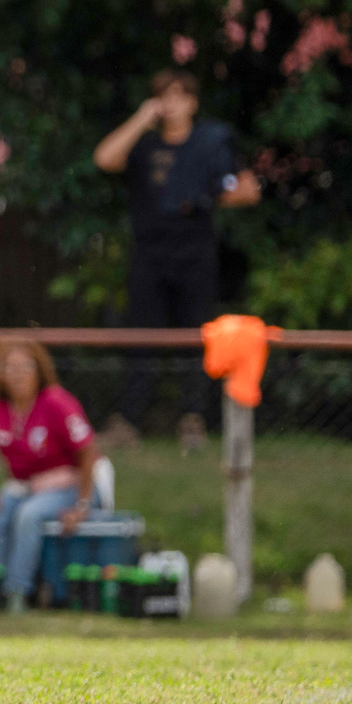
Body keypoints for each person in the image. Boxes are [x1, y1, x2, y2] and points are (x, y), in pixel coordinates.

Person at [93, 70, 259, 449]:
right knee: (141, 338)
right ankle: (129, 422)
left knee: (197, 337)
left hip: (195, 253)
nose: (172, 104)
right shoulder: (146, 146)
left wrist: (206, 197)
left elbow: (247, 190)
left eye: (180, 96)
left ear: (193, 103)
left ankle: (193, 420)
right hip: (149, 253)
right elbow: (104, 158)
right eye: (164, 96)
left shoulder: (210, 145)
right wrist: (141, 117)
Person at [0, 338, 102, 610]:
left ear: (39, 370)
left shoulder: (56, 402)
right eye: (10, 368)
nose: (18, 375)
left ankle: (18, 594)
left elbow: (89, 451)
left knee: (28, 515)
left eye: (25, 367)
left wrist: (83, 503)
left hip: (69, 487)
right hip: (22, 486)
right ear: (0, 372)